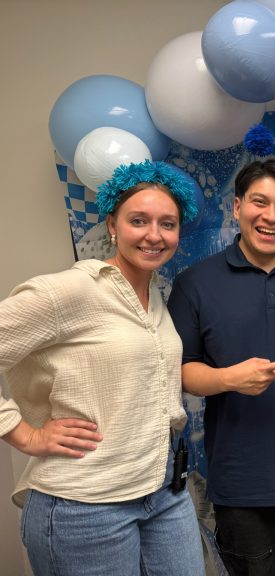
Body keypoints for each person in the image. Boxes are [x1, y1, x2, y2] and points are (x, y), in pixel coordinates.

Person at [0, 160, 205, 575]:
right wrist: (23, 433)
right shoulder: (70, 291)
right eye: (138, 221)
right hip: (85, 505)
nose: (154, 235)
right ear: (112, 225)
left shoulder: (154, 297)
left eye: (167, 224)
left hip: (164, 493)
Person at [167, 158, 275, 576]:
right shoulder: (195, 283)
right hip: (242, 480)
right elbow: (180, 372)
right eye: (259, 202)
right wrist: (229, 379)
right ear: (237, 207)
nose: (271, 216)